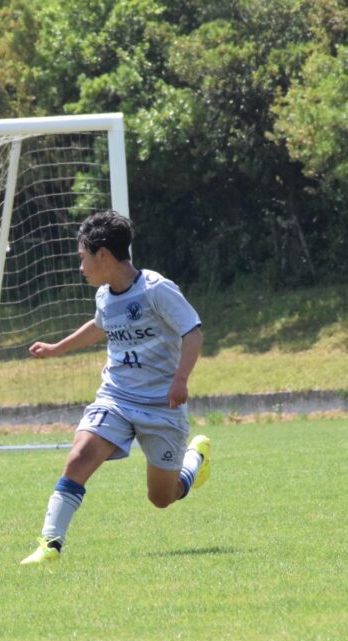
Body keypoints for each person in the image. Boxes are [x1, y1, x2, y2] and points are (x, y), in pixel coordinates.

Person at [19, 210, 210, 565]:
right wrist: (57, 348)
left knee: (162, 497)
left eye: (83, 257)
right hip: (116, 397)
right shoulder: (104, 295)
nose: (80, 267)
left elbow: (193, 332)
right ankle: (50, 545)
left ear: (103, 254)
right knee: (79, 457)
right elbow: (99, 326)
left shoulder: (156, 289)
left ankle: (193, 461)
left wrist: (180, 379)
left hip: (161, 405)